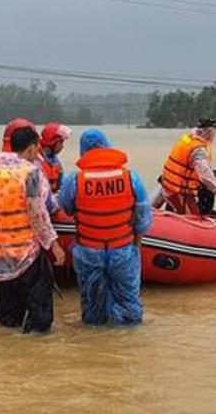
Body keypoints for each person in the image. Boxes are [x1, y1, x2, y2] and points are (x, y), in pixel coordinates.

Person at [0, 127, 65, 334]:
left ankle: (10, 358)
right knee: (40, 319)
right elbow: (38, 214)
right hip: (25, 252)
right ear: (32, 148)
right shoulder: (31, 173)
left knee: (7, 318)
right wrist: (54, 245)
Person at [59, 129, 153, 326]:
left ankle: (94, 345)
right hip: (123, 250)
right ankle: (129, 341)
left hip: (88, 252)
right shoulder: (130, 178)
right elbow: (143, 214)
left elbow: (66, 208)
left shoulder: (75, 180)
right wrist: (137, 242)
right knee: (128, 301)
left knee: (92, 305)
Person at [157, 118, 216, 215]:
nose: (214, 135)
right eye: (214, 132)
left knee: (191, 213)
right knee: (192, 218)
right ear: (208, 132)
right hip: (179, 190)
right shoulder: (198, 150)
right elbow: (205, 174)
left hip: (169, 186)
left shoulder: (188, 139)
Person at [39, 122, 72, 193]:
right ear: (53, 142)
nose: (63, 147)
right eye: (61, 142)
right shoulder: (37, 159)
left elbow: (62, 182)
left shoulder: (54, 159)